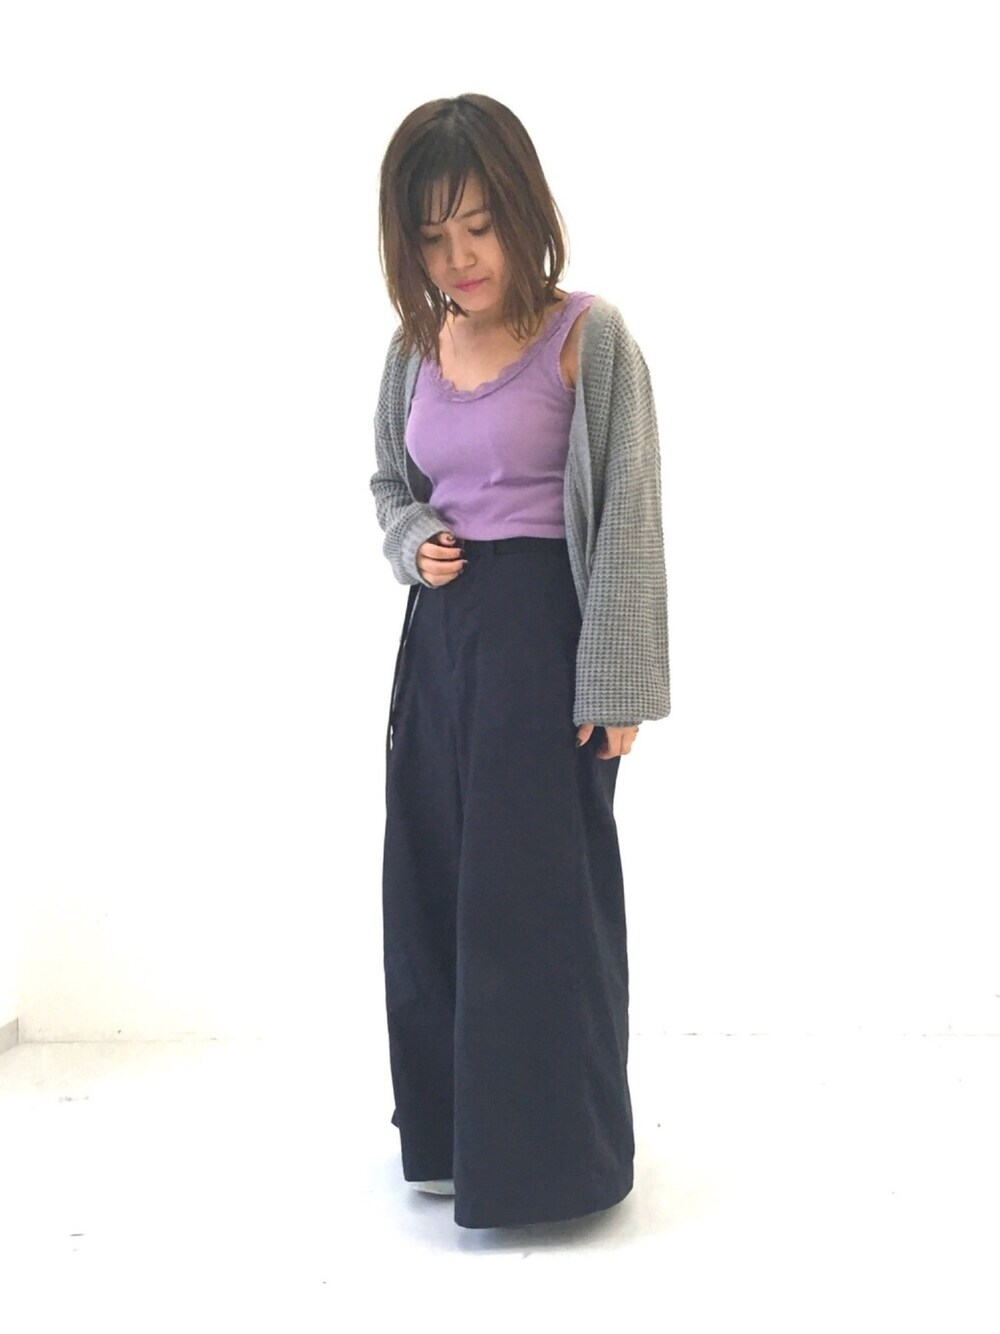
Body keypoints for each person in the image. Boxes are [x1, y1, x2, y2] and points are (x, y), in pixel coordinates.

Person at [370, 93, 670, 1230]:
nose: (460, 257)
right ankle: (451, 1140)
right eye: (433, 236)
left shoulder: (588, 338)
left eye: (479, 225)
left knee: (538, 900)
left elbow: (628, 510)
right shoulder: (414, 349)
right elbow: (390, 484)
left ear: (522, 210)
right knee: (433, 886)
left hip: (546, 646)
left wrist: (621, 685)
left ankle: (554, 1164)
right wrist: (412, 539)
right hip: (439, 651)